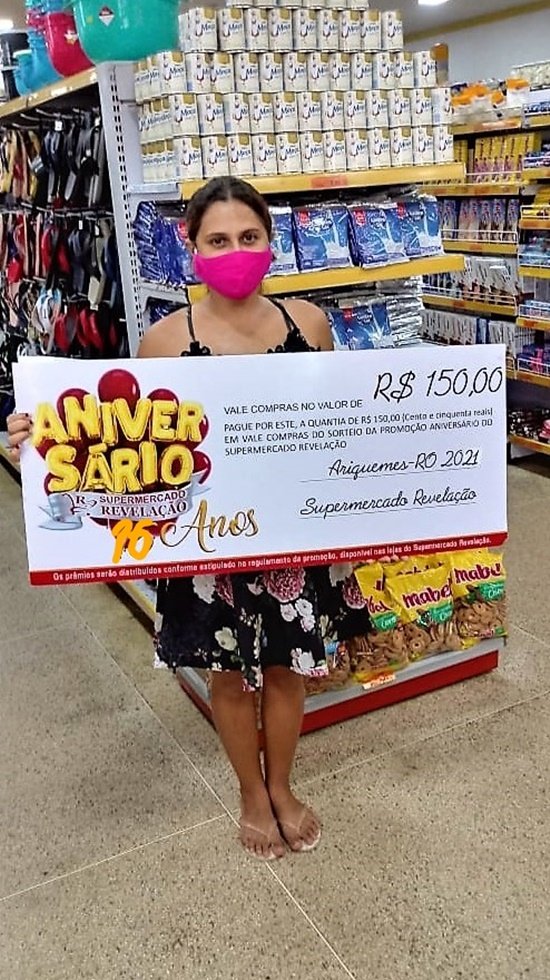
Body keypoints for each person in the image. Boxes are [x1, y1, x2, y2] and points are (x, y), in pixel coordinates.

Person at [8, 176, 371, 861]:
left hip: (293, 538)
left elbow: (341, 428)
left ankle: (282, 785)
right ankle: (251, 793)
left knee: (288, 668)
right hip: (208, 542)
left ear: (271, 242)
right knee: (228, 675)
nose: (235, 251)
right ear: (194, 249)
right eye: (218, 240)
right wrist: (44, 434)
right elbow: (130, 443)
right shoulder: (164, 340)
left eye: (249, 237)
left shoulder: (311, 325)